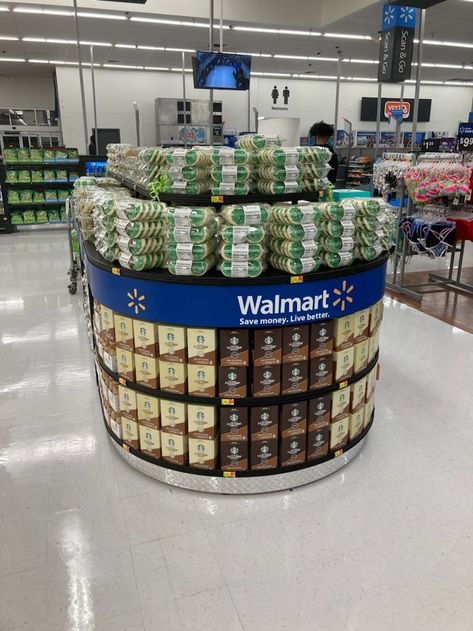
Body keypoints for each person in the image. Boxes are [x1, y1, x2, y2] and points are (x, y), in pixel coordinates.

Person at [309, 121, 339, 185]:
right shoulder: (333, 154)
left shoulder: (310, 152)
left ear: (316, 136)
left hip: (312, 186)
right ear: (328, 137)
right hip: (329, 187)